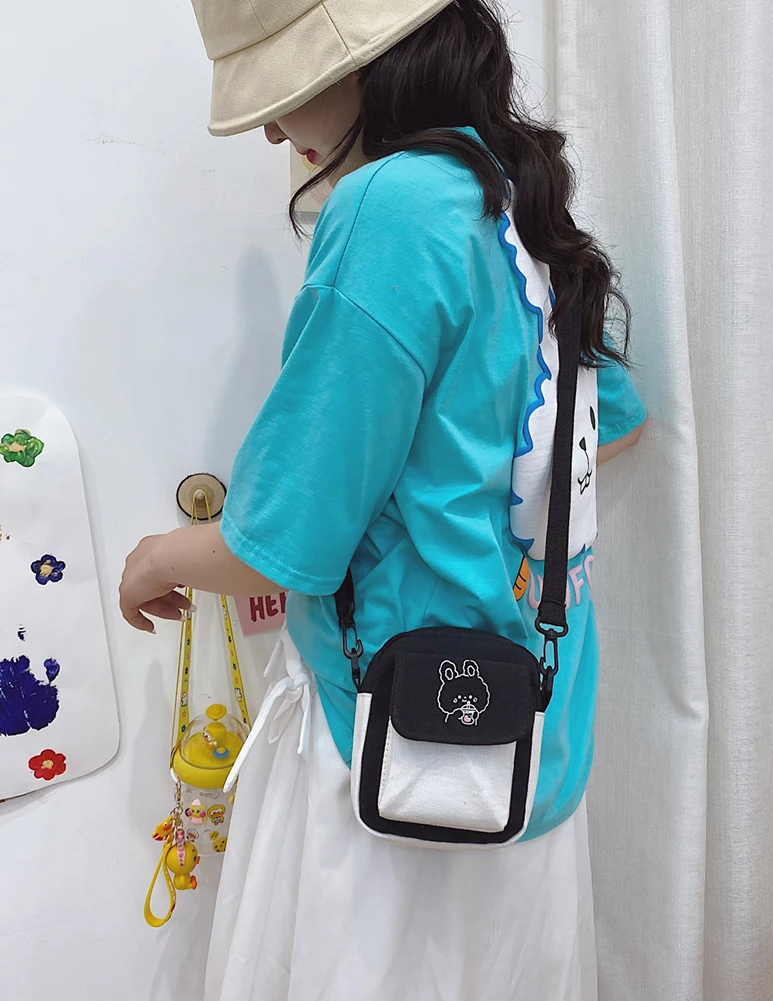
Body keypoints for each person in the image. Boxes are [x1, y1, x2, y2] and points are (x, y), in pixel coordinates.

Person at [119, 0, 646, 998]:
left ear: (359, 64)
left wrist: (151, 559)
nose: (273, 132)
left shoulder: (388, 206)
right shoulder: (510, 189)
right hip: (535, 727)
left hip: (394, 747)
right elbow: (612, 422)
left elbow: (280, 542)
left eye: (279, 94)